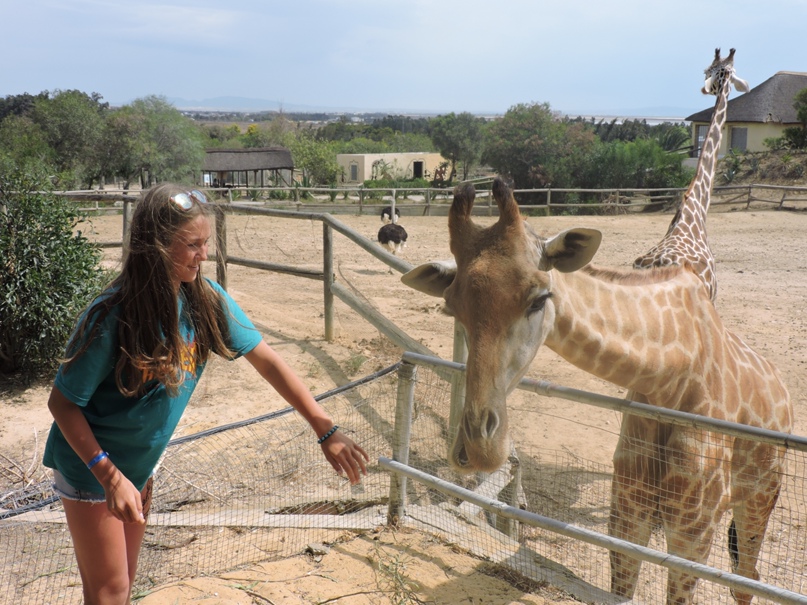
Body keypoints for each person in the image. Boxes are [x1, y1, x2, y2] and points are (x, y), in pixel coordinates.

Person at [43, 183, 370, 605]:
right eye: (192, 245)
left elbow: (267, 361)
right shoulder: (112, 314)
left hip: (137, 466)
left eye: (206, 243)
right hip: (92, 465)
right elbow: (62, 403)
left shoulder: (204, 301)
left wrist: (325, 428)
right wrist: (110, 476)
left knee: (120, 583)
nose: (204, 255)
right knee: (111, 589)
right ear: (156, 246)